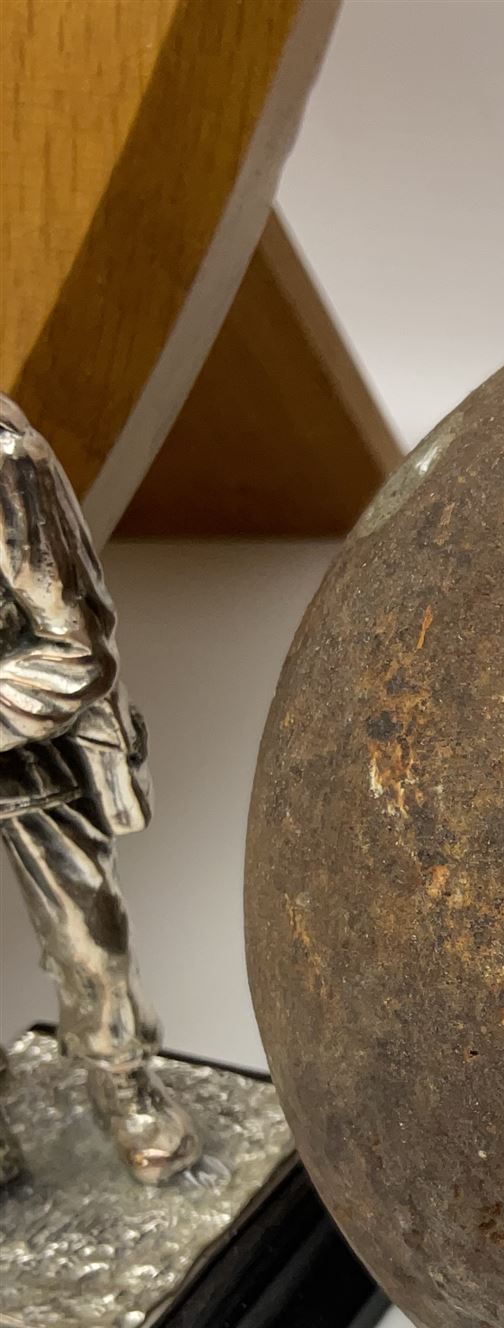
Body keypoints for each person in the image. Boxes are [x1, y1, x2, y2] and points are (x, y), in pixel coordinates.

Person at [0, 392, 198, 1185]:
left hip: (33, 752)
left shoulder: (9, 467)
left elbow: (77, 651)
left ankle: (123, 1080)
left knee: (91, 940)